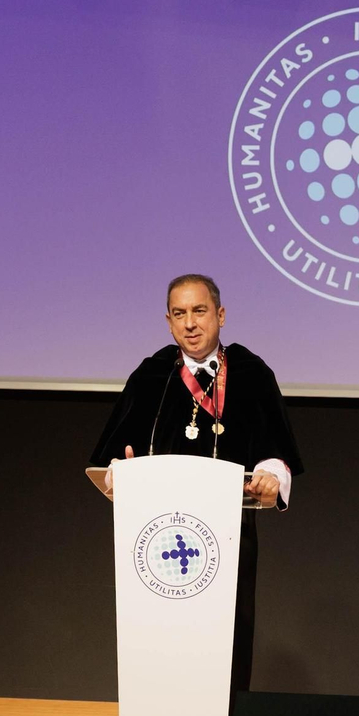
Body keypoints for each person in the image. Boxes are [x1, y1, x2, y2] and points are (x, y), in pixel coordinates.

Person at [91, 274, 303, 691]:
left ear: (220, 315)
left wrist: (271, 477)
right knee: (162, 643)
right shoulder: (151, 375)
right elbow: (114, 456)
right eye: (179, 314)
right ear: (168, 322)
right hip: (157, 536)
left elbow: (276, 454)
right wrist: (121, 472)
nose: (190, 323)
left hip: (228, 534)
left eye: (199, 311)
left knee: (226, 642)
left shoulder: (251, 373)